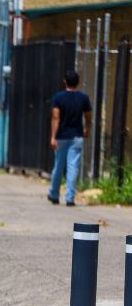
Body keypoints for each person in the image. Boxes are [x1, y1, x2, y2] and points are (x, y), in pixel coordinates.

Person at [48, 70, 92, 207]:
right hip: (76, 136)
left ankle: (54, 194)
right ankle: (70, 198)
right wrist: (87, 128)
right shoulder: (83, 98)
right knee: (73, 167)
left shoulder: (58, 98)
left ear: (64, 81)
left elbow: (56, 118)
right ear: (78, 82)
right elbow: (88, 115)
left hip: (61, 136)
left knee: (58, 166)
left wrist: (53, 137)